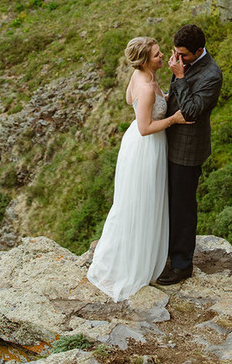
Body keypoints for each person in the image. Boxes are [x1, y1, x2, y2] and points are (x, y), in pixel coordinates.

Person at [87, 36, 190, 302]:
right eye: (157, 55)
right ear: (145, 61)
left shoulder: (140, 78)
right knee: (140, 202)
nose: (161, 57)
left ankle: (135, 250)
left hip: (139, 144)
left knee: (136, 200)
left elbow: (127, 100)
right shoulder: (145, 86)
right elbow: (145, 128)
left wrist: (162, 98)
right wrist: (173, 118)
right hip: (146, 147)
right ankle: (132, 261)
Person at [156, 24, 223, 285]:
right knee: (167, 202)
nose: (177, 59)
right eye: (175, 53)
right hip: (168, 139)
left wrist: (180, 77)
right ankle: (166, 253)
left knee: (183, 207)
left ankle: (182, 265)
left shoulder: (212, 75)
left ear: (199, 50)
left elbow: (191, 110)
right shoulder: (183, 61)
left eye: (183, 55)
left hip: (187, 149)